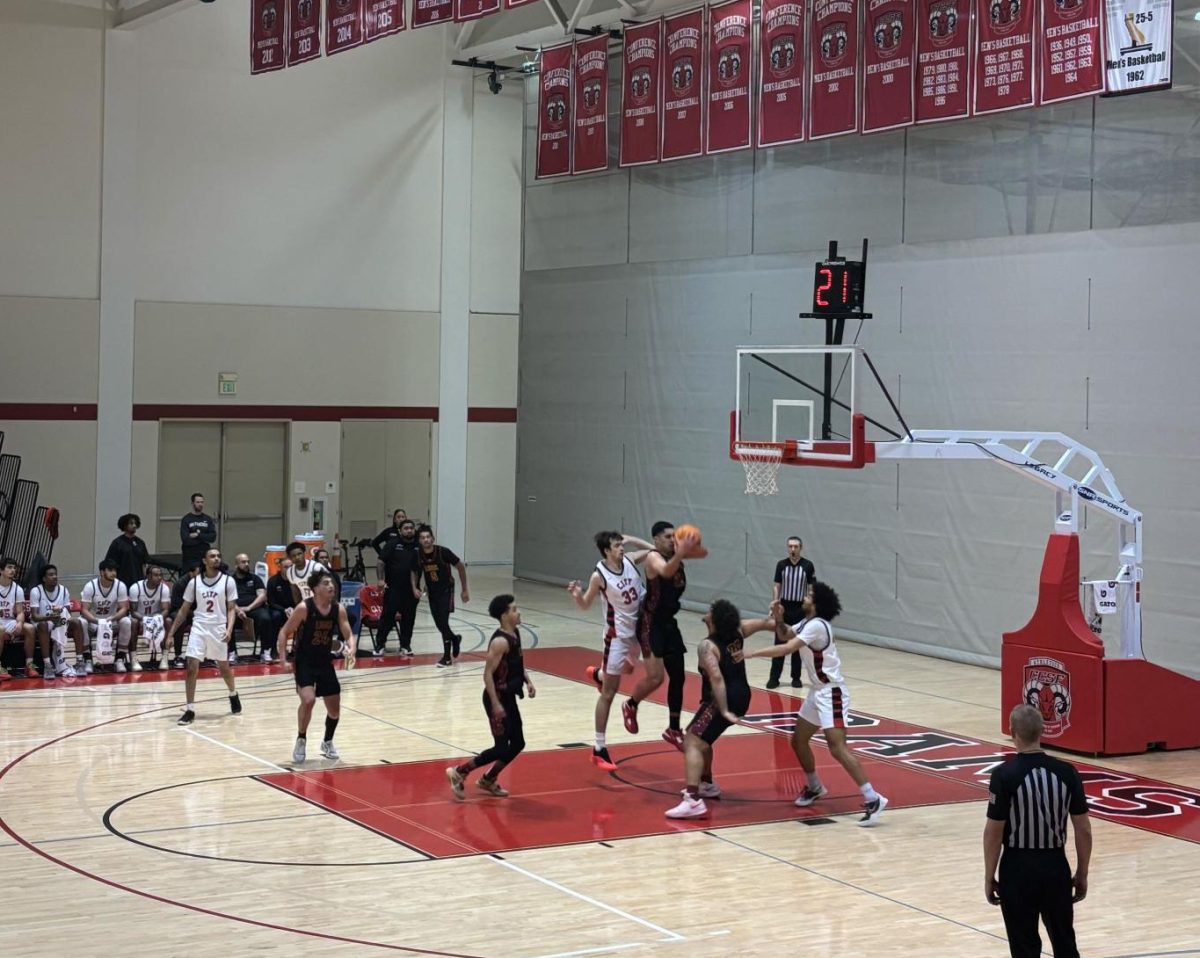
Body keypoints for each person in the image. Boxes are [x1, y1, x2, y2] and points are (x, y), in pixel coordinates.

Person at [744, 582, 888, 826]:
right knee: (798, 740)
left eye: (810, 595)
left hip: (831, 692)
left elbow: (787, 647)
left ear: (818, 603)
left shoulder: (818, 626)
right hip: (817, 692)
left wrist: (752, 653)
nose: (805, 596)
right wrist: (778, 617)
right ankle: (815, 787)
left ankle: (873, 798)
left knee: (837, 747)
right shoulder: (808, 623)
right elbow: (785, 634)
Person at [985, 704, 1092, 958]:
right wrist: (1082, 872)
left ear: (1012, 732)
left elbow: (993, 833)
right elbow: (1084, 829)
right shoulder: (1068, 773)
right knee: (1065, 944)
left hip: (1017, 869)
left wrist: (989, 875)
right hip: (1055, 866)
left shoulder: (1003, 775)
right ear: (1042, 731)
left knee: (1024, 948)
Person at [666, 599, 774, 818]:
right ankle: (706, 784)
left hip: (723, 698)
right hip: (743, 695)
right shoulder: (739, 631)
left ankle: (693, 800)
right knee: (703, 740)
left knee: (692, 741)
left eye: (710, 610)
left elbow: (716, 678)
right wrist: (779, 620)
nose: (706, 612)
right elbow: (768, 623)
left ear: (714, 619)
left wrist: (723, 709)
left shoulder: (707, 646)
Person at [568, 530, 646, 771]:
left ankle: (598, 675)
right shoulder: (599, 575)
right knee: (610, 693)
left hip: (638, 632)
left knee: (628, 670)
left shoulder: (631, 560)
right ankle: (599, 749)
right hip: (617, 638)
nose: (621, 548)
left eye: (621, 545)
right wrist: (577, 595)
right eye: (617, 545)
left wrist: (632, 539)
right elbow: (585, 605)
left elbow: (656, 550)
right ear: (606, 551)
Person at [445, 594, 535, 799]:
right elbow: (487, 675)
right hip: (497, 698)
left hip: (509, 698)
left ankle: (488, 779)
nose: (518, 611)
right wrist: (495, 703)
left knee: (518, 743)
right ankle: (459, 772)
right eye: (514, 609)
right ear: (504, 616)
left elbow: (517, 664)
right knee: (502, 747)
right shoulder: (500, 642)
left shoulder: (515, 633)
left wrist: (528, 680)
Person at [621, 521, 701, 750]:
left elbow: (657, 549)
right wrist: (678, 551)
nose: (673, 540)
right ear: (657, 539)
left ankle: (673, 728)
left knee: (679, 676)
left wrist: (636, 540)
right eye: (668, 536)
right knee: (656, 678)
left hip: (668, 624)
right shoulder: (655, 560)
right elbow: (665, 570)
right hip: (650, 623)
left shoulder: (667, 553)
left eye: (674, 536)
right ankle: (631, 704)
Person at [279, 570, 354, 762]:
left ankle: (327, 742)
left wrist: (351, 649)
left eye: (332, 584)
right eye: (326, 583)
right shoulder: (304, 608)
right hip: (304, 661)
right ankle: (301, 738)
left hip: (324, 662)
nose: (331, 586)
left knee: (334, 710)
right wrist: (283, 659)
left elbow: (348, 634)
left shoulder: (338, 609)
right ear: (315, 589)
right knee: (309, 700)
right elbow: (284, 631)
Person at [166, 547, 242, 725]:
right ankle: (190, 709)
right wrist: (170, 634)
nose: (216, 559)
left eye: (218, 556)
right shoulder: (194, 583)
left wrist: (229, 629)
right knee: (192, 666)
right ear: (204, 561)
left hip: (218, 627)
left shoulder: (227, 581)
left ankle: (233, 693)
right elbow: (184, 610)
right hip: (199, 626)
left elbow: (231, 608)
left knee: (223, 668)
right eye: (212, 556)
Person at [410, 525, 468, 667]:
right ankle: (455, 639)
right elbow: (414, 571)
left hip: (446, 590)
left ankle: (447, 657)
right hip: (432, 592)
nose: (426, 540)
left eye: (428, 537)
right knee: (439, 624)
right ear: (419, 540)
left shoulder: (443, 552)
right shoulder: (418, 555)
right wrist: (414, 588)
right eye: (423, 538)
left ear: (433, 538)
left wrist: (465, 589)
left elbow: (460, 566)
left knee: (443, 622)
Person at [768, 536, 815, 689]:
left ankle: (796, 677)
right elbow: (777, 586)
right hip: (784, 609)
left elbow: (811, 589)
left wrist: (810, 609)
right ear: (787, 548)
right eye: (790, 546)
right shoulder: (781, 565)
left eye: (795, 547)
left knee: (797, 645)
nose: (793, 549)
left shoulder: (808, 566)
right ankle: (774, 678)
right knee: (779, 642)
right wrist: (775, 605)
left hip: (799, 609)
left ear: (801, 548)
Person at [29, 564, 85, 678]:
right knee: (43, 625)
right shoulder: (36, 591)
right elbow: (34, 616)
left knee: (77, 623)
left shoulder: (63, 590)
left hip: (60, 622)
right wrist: (50, 617)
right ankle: (48, 665)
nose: (54, 577)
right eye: (51, 575)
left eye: (55, 574)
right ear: (44, 578)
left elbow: (68, 613)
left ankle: (79, 662)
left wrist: (59, 613)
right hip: (43, 623)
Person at [80, 559, 135, 673]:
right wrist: (97, 621)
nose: (113, 573)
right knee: (82, 622)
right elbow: (84, 610)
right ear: (102, 572)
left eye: (115, 570)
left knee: (126, 622)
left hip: (111, 621)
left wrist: (111, 619)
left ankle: (119, 660)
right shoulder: (90, 586)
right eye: (110, 570)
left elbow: (124, 608)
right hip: (94, 622)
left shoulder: (120, 586)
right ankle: (88, 660)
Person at [375, 518, 419, 657]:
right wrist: (381, 580)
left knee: (409, 619)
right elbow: (381, 562)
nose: (409, 530)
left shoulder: (419, 546)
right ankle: (380, 645)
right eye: (405, 528)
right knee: (388, 617)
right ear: (400, 531)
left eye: (411, 528)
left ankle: (405, 645)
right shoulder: (392, 544)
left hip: (411, 590)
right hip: (393, 589)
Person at [129, 564, 172, 671]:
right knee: (132, 622)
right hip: (140, 618)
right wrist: (146, 620)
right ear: (148, 576)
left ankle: (164, 657)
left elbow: (166, 610)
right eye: (156, 575)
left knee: (168, 621)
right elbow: (133, 611)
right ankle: (133, 658)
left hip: (156, 618)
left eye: (160, 575)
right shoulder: (136, 588)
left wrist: (156, 619)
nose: (160, 577)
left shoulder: (164, 588)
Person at [0, 557, 36, 680]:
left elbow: (20, 612)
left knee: (30, 628)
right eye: (9, 567)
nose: (13, 570)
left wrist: (20, 623)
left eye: (14, 568)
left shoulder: (17, 589)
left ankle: (29, 665)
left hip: (8, 620)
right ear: (1, 570)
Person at [231, 554, 271, 664]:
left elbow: (262, 596)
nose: (247, 564)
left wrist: (249, 608)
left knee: (266, 618)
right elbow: (227, 599)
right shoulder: (230, 580)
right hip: (235, 609)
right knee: (226, 620)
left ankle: (265, 651)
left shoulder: (255, 578)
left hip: (253, 608)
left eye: (248, 562)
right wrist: (238, 610)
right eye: (243, 562)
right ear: (236, 565)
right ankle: (232, 652)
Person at [103, 514, 150, 588]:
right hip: (122, 581)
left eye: (135, 523)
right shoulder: (117, 543)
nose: (134, 526)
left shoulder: (140, 542)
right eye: (131, 523)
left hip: (139, 581)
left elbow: (144, 564)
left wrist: (145, 579)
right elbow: (110, 563)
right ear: (125, 525)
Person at [168, 564, 200, 668]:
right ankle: (178, 655)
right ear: (191, 573)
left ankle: (194, 653)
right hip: (177, 610)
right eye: (198, 573)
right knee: (181, 620)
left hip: (193, 611)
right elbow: (178, 606)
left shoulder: (200, 583)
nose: (201, 575)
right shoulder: (180, 584)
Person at [282, 541, 329, 609]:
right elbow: (296, 593)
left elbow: (330, 586)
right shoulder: (290, 572)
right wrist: (298, 608)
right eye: (294, 556)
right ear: (290, 558)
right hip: (307, 605)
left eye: (299, 554)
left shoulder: (316, 567)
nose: (297, 557)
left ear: (304, 553)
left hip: (323, 604)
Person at [264, 564, 295, 663]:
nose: (288, 569)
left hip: (295, 610)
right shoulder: (273, 581)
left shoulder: (296, 580)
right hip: (278, 609)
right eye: (286, 566)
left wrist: (295, 609)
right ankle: (273, 649)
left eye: (291, 566)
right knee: (275, 617)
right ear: (280, 568)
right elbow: (271, 602)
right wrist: (284, 610)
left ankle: (297, 649)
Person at [371, 508, 408, 581]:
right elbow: (375, 542)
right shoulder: (389, 531)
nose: (401, 519)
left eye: (403, 517)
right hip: (391, 564)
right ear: (394, 520)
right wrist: (383, 555)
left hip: (405, 562)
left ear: (406, 519)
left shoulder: (410, 532)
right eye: (398, 517)